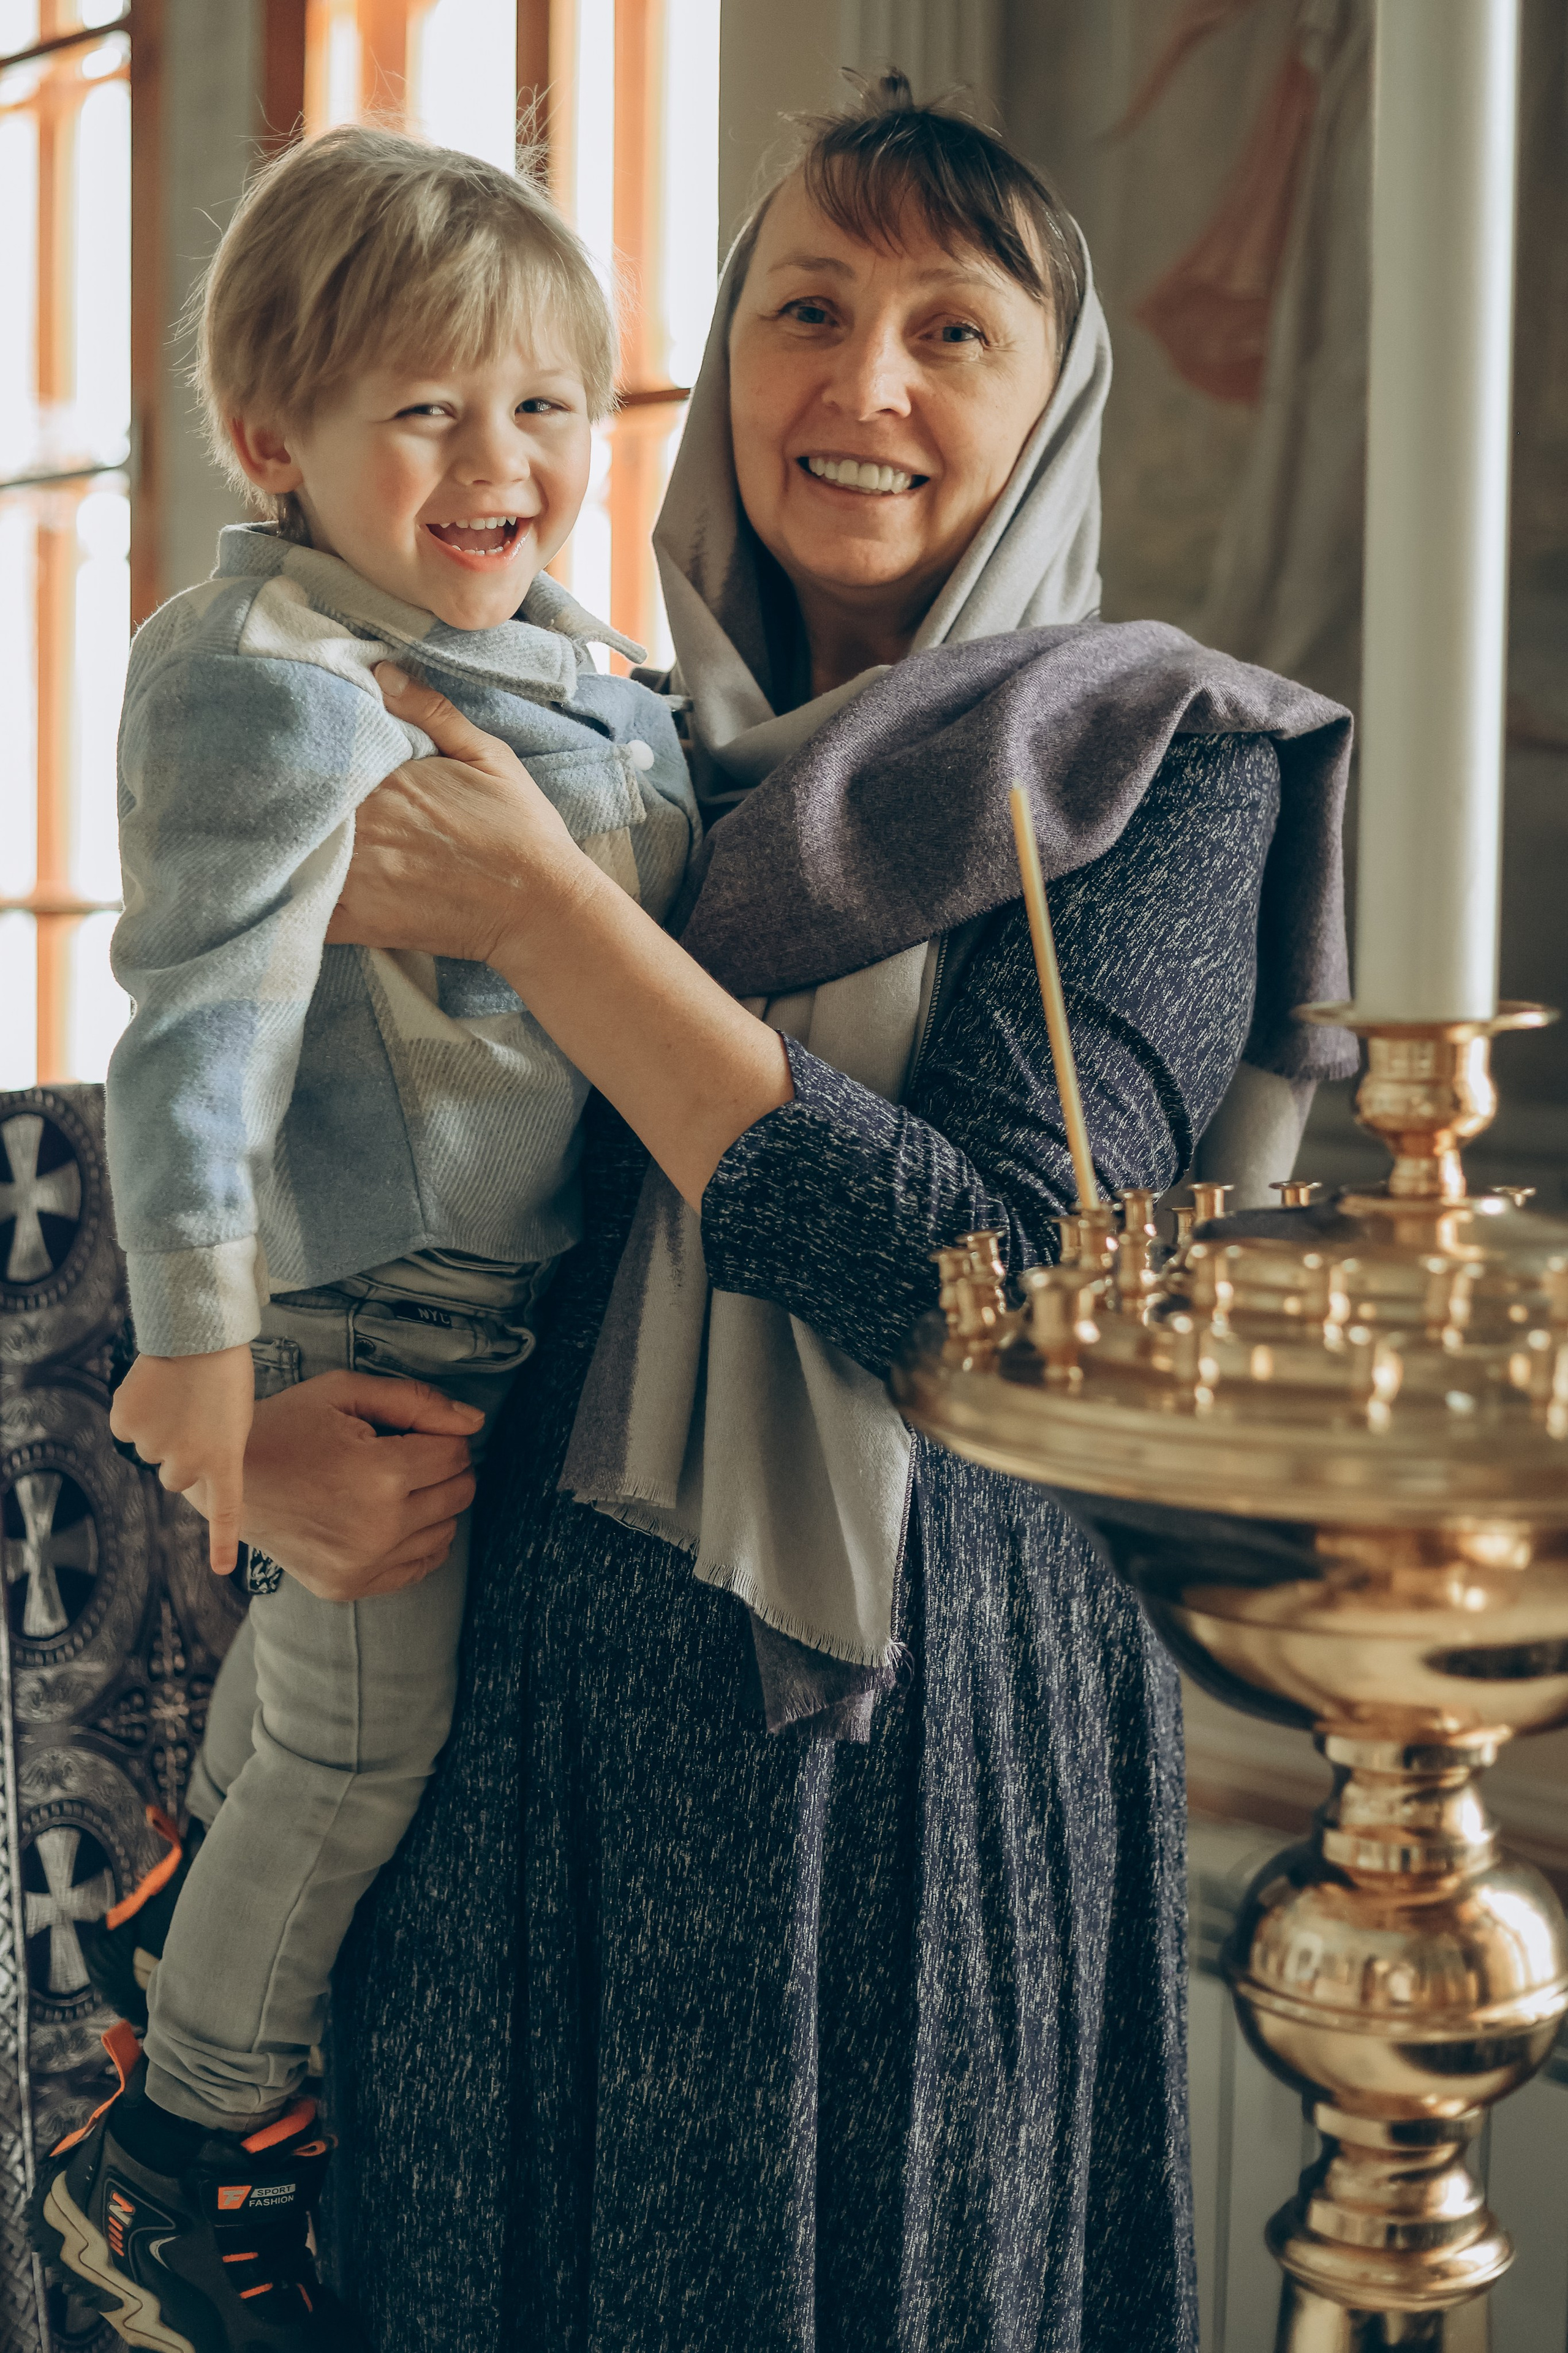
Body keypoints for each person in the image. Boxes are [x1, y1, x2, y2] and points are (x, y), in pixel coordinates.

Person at [96, 77, 1355, 2352]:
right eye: (808, 308)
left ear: (1050, 400)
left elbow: (1005, 1295)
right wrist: (232, 1440)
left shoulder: (1161, 764)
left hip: (916, 1777)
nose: (861, 385)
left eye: (951, 332)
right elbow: (228, 1088)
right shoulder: (564, 706)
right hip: (506, 1754)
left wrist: (562, 922)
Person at [33, 126, 696, 2353]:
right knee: (349, 1746)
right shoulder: (267, 667)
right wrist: (208, 1359)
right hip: (369, 1318)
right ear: (271, 441)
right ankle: (174, 2157)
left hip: (520, 1314)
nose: (498, 462)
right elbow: (194, 1030)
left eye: (542, 408)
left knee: (323, 1729)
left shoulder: (557, 649)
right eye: (426, 411)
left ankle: (165, 1918)